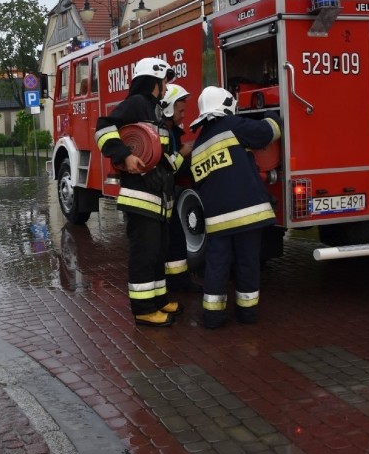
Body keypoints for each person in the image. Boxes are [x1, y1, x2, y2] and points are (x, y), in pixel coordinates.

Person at [94, 57, 183, 327]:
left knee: (157, 253)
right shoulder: (137, 103)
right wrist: (125, 155)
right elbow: (103, 127)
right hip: (141, 198)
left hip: (158, 198)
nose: (167, 87)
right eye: (165, 81)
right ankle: (144, 309)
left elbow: (159, 153)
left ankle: (158, 300)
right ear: (155, 80)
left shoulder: (154, 109)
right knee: (144, 254)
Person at [188, 86, 281, 329]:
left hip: (217, 220)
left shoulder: (198, 147)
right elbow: (269, 132)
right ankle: (247, 313)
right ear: (226, 105)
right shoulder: (232, 125)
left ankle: (213, 316)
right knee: (247, 262)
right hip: (248, 214)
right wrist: (271, 115)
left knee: (217, 264)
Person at [160, 84, 201, 294]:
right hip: (158, 199)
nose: (184, 115)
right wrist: (184, 154)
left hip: (167, 198)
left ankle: (180, 282)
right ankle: (173, 284)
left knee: (176, 240)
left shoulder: (172, 131)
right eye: (181, 111)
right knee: (169, 241)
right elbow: (165, 168)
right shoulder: (161, 132)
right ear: (167, 108)